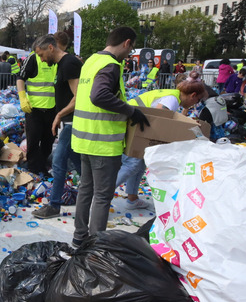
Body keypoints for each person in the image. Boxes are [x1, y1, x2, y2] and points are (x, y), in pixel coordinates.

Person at [70, 26, 149, 248]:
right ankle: (96, 246)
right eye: (131, 47)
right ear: (126, 42)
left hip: (84, 139)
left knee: (85, 190)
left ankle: (79, 238)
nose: (130, 52)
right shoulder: (111, 65)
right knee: (103, 197)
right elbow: (99, 95)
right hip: (103, 143)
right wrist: (131, 111)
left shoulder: (91, 61)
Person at [116, 81, 209, 211]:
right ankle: (101, 194)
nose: (195, 104)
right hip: (133, 125)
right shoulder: (172, 99)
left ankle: (132, 199)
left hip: (133, 124)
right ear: (193, 95)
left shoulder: (172, 95)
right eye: (197, 100)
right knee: (132, 165)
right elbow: (158, 118)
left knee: (139, 163)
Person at [31, 34, 82, 219]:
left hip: (73, 121)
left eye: (42, 54)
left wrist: (59, 114)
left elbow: (79, 96)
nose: (42, 59)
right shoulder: (62, 65)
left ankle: (54, 205)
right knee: (79, 163)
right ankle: (96, 195)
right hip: (67, 121)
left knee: (58, 162)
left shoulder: (69, 64)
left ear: (51, 48)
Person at [17, 43, 58, 176]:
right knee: (33, 140)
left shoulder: (58, 59)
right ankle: (33, 169)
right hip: (34, 109)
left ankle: (42, 166)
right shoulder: (33, 59)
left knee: (49, 141)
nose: (42, 58)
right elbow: (20, 78)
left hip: (52, 109)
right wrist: (22, 97)